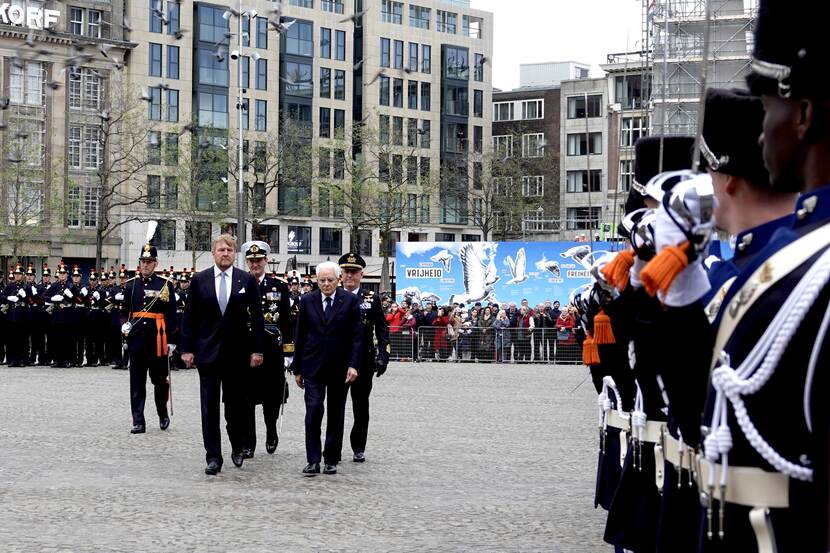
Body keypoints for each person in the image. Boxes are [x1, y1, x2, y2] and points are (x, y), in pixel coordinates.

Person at [181, 234, 265, 475]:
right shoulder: (200, 280)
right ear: (213, 253)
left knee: (235, 407)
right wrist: (186, 349)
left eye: (229, 249)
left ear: (234, 253)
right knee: (209, 408)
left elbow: (257, 318)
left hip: (237, 354)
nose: (225, 253)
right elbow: (190, 317)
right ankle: (213, 456)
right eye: (221, 249)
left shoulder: (245, 280)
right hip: (208, 354)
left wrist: (257, 349)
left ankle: (237, 446)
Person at [292, 261, 363, 476]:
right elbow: (300, 335)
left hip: (339, 367)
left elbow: (357, 336)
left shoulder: (350, 301)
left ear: (338, 279)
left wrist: (354, 365)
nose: (326, 284)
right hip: (312, 366)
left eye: (330, 280)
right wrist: (297, 368)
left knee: (336, 413)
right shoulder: (306, 301)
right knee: (313, 411)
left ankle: (330, 458)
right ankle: (312, 459)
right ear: (316, 280)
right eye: (322, 280)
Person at [240, 241, 293, 457]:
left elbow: (287, 321)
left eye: (258, 260)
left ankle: (271, 431)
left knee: (271, 397)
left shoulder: (278, 287)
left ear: (266, 261)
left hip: (272, 348)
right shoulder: (239, 284)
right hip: (246, 346)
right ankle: (248, 443)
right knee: (246, 398)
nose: (255, 264)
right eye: (251, 261)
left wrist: (289, 352)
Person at [121, 243, 178, 435]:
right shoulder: (131, 285)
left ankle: (162, 413)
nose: (146, 265)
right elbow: (124, 312)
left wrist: (172, 340)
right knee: (136, 382)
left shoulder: (164, 284)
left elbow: (171, 314)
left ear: (155, 263)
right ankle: (138, 420)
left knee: (160, 381)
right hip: (137, 340)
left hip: (158, 340)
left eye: (149, 262)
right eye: (143, 262)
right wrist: (124, 324)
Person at [339, 252, 389, 463]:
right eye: (346, 272)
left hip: (364, 360)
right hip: (338, 360)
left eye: (354, 272)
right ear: (340, 274)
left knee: (361, 406)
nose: (349, 276)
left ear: (362, 274)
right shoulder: (333, 295)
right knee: (336, 406)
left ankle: (358, 445)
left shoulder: (371, 299)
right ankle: (333, 447)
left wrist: (383, 355)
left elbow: (382, 328)